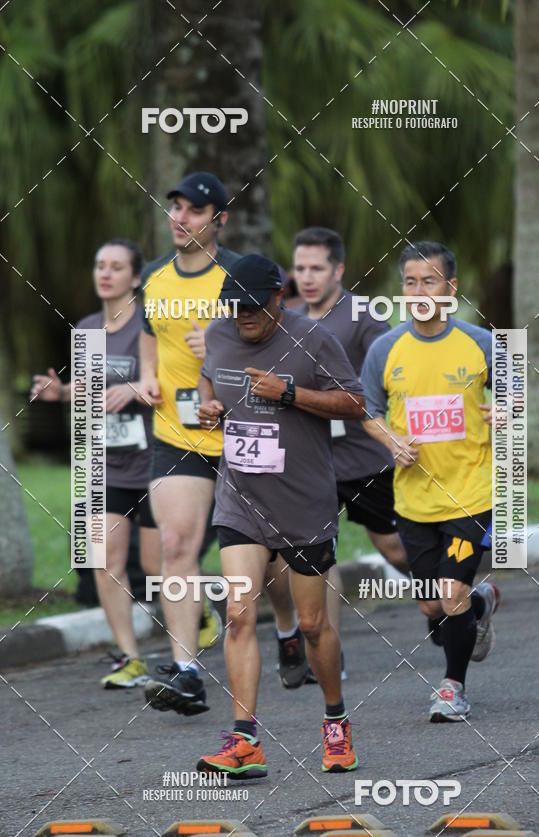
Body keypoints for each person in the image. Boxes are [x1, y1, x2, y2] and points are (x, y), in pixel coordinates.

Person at [196, 253, 365, 778]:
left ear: (277, 297)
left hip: (304, 501)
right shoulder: (220, 334)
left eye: (251, 308)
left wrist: (289, 393)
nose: (242, 317)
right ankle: (245, 741)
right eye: (233, 307)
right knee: (240, 614)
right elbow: (210, 379)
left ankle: (335, 722)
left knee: (313, 625)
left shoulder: (312, 339)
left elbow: (356, 403)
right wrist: (208, 406)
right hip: (241, 498)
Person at [362, 241, 499, 723]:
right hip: (414, 498)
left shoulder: (480, 343)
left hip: (470, 491)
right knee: (430, 607)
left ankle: (452, 688)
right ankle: (479, 606)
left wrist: (505, 410)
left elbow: (516, 392)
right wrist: (391, 439)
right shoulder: (385, 349)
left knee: (450, 594)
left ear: (451, 289)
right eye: (410, 282)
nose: (419, 291)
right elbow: (369, 413)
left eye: (430, 281)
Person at [31, 239, 160, 688]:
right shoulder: (86, 327)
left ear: (136, 278)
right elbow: (89, 389)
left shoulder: (148, 323)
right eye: (99, 265)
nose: (105, 273)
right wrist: (60, 393)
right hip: (108, 465)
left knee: (163, 565)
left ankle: (198, 609)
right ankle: (130, 657)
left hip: (157, 461)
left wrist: (136, 390)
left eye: (116, 267)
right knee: (105, 560)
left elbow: (166, 383)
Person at [139, 172, 240, 716]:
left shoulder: (239, 279)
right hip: (176, 432)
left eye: (193, 211)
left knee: (266, 563)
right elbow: (148, 333)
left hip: (245, 433)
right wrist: (150, 374)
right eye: (174, 207)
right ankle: (187, 672)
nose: (180, 218)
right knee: (176, 546)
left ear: (219, 219)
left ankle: (293, 631)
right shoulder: (155, 280)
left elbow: (277, 348)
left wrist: (221, 345)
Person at [290, 226, 409, 680]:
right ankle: (328, 653)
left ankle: (451, 601)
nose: (307, 276)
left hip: (365, 457)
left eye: (317, 268)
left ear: (338, 269)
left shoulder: (363, 315)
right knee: (322, 556)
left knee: (394, 547)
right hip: (313, 460)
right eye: (300, 268)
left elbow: (390, 371)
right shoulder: (289, 317)